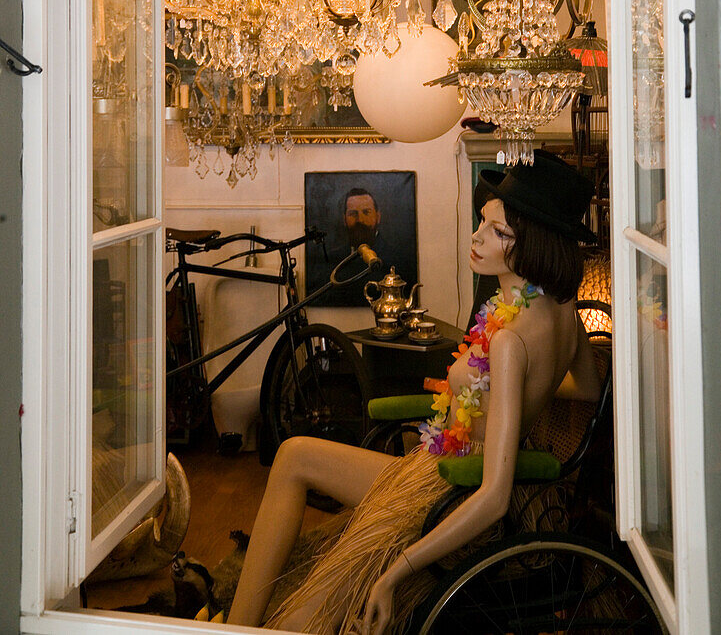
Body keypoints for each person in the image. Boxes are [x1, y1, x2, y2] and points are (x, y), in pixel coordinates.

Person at [227, 151, 601, 633]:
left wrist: (397, 570)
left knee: (310, 610)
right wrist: (526, 393)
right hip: (440, 466)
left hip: (451, 492)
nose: (478, 237)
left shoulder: (511, 340)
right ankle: (234, 625)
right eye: (483, 222)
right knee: (294, 454)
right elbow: (588, 388)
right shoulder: (563, 312)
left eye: (499, 232)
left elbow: (494, 498)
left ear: (536, 245)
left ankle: (241, 627)